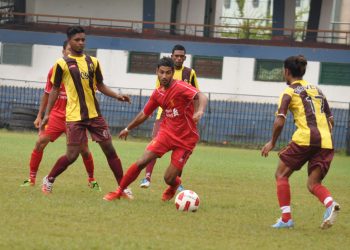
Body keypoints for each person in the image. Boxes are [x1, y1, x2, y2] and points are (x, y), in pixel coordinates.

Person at [40, 26, 132, 198]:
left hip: (95, 115)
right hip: (75, 117)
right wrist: (47, 114)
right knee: (72, 155)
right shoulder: (61, 64)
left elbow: (100, 85)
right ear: (69, 41)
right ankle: (49, 179)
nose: (81, 42)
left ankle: (123, 188)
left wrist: (117, 95)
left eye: (83, 39)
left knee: (110, 151)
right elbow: (54, 90)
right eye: (77, 40)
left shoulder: (93, 62)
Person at [103, 56, 208, 202]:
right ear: (156, 72)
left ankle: (174, 185)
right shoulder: (157, 93)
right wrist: (128, 128)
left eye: (168, 73)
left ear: (172, 73)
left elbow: (201, 96)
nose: (164, 76)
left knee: (169, 178)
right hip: (166, 134)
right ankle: (119, 191)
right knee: (142, 161)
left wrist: (200, 111)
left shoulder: (181, 87)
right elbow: (144, 113)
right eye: (161, 72)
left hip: (186, 139)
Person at [261, 55, 340, 229]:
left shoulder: (288, 92)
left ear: (287, 71)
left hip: (305, 138)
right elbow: (331, 119)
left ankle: (286, 219)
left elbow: (280, 120)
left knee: (281, 175)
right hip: (326, 141)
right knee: (313, 184)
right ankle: (330, 203)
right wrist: (324, 137)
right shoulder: (317, 90)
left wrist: (272, 142)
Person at [20, 41, 100, 191]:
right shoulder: (56, 69)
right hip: (57, 115)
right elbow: (47, 93)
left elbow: (91, 95)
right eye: (68, 50)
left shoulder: (84, 70)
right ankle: (31, 178)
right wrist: (40, 115)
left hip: (75, 117)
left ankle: (92, 180)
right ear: (63, 52)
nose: (71, 53)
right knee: (40, 142)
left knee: (84, 150)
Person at [139, 44, 199, 190]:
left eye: (181, 56)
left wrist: (196, 114)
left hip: (182, 118)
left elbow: (196, 94)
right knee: (154, 145)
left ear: (185, 58)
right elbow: (158, 93)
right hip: (164, 116)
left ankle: (176, 182)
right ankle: (147, 177)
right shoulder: (164, 72)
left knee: (180, 152)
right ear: (172, 57)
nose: (179, 58)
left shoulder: (190, 73)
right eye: (176, 56)